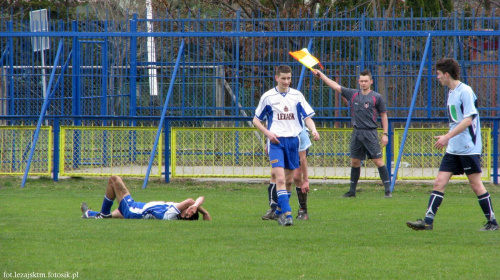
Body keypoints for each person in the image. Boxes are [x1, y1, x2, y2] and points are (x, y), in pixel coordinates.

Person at [406, 58, 498, 231]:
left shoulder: (466, 91)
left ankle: (492, 222)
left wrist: (447, 136)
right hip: (453, 147)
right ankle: (427, 222)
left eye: (439, 74)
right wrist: (449, 139)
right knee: (439, 182)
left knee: (476, 184)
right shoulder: (451, 92)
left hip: (467, 147)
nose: (437, 77)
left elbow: (468, 120)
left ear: (446, 74)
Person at [253, 65, 319, 226]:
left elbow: (307, 117)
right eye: (283, 78)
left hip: (293, 142)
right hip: (276, 142)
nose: (286, 81)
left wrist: (314, 130)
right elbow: (256, 120)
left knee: (289, 180)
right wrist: (268, 134)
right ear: (276, 78)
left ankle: (280, 212)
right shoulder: (268, 97)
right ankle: (288, 214)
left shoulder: (297, 96)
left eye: (289, 78)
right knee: (280, 178)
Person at [313, 69, 391, 198]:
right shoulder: (353, 94)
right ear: (358, 81)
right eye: (361, 81)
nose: (363, 83)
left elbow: (383, 115)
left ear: (371, 82)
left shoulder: (376, 97)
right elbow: (335, 85)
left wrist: (385, 133)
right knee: (355, 162)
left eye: (366, 81)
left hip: (370, 133)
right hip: (357, 133)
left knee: (378, 161)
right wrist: (321, 75)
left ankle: (388, 191)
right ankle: (352, 191)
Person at [80, 175, 211, 221]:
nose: (187, 212)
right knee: (110, 217)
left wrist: (201, 210)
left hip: (132, 209)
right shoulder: (177, 211)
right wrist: (201, 211)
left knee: (114, 180)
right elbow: (200, 198)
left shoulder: (172, 214)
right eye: (190, 212)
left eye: (187, 215)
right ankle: (88, 213)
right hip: (138, 208)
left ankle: (102, 214)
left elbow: (192, 201)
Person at [261, 126, 312, 220]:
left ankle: (303, 210)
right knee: (274, 174)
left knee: (296, 177)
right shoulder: (280, 127)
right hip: (283, 142)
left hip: (295, 145)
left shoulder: (301, 134)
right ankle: (274, 208)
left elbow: (303, 158)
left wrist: (306, 180)